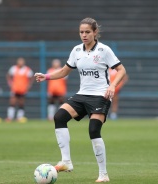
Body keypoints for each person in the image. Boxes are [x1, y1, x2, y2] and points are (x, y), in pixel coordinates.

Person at [35, 17, 126, 182]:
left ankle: (103, 174)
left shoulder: (104, 50)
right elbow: (64, 71)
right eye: (81, 32)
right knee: (59, 117)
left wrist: (112, 86)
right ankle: (66, 162)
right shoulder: (76, 50)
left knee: (93, 130)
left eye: (87, 32)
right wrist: (46, 76)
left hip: (100, 96)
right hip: (82, 94)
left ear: (95, 32)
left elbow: (121, 70)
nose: (84, 35)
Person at [6, 57, 34, 122]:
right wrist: (10, 83)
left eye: (22, 62)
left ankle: (19, 117)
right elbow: (8, 76)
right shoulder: (13, 68)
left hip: (23, 89)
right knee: (12, 102)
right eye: (19, 61)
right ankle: (10, 117)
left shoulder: (27, 70)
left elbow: (31, 78)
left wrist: (28, 85)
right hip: (15, 89)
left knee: (21, 103)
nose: (20, 63)